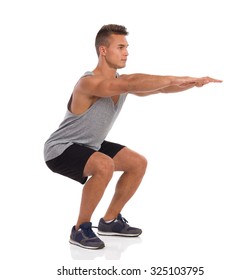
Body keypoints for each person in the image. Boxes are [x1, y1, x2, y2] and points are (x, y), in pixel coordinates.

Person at [44, 24, 222, 250]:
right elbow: (129, 83)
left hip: (91, 145)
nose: (126, 52)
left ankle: (109, 221)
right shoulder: (89, 82)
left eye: (127, 47)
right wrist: (178, 77)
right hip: (61, 149)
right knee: (104, 164)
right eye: (120, 47)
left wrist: (190, 84)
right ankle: (80, 229)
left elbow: (159, 89)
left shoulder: (120, 81)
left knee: (137, 163)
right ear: (103, 50)